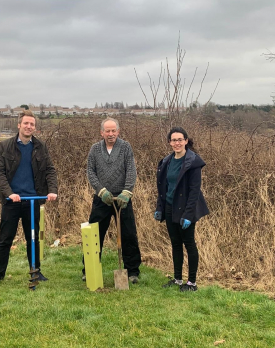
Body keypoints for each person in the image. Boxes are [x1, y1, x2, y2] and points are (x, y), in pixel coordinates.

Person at [0, 110, 58, 288]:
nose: (29, 127)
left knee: (33, 239)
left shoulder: (40, 147)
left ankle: (36, 270)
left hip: (33, 200)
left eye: (32, 124)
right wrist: (9, 193)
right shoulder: (5, 146)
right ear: (19, 125)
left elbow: (50, 170)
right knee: (5, 239)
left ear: (35, 127)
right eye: (26, 123)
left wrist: (52, 190)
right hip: (12, 201)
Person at [85, 118, 141, 283]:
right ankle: (89, 268)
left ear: (118, 131)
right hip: (102, 198)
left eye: (113, 131)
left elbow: (131, 170)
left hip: (122, 198)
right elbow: (90, 171)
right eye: (107, 131)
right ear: (102, 132)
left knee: (129, 234)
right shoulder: (95, 149)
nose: (110, 134)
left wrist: (127, 192)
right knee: (94, 235)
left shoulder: (125, 147)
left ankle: (132, 272)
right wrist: (101, 190)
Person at [154, 127, 209, 292]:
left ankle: (192, 283)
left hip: (186, 209)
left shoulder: (193, 162)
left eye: (180, 139)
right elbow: (163, 187)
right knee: (175, 243)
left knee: (189, 244)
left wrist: (188, 214)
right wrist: (160, 207)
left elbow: (194, 192)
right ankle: (178, 279)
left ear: (186, 141)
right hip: (170, 207)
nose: (176, 143)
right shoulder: (167, 162)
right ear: (169, 142)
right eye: (173, 140)